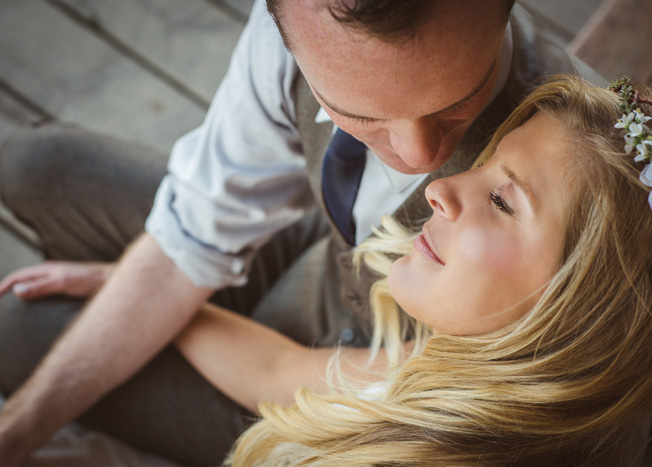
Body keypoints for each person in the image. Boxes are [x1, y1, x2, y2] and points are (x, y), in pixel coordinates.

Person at [0, 1, 598, 465]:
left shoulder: (573, 167)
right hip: (316, 257)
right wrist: (138, 288)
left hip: (330, 390)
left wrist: (138, 301)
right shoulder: (291, 33)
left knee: (17, 327)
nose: (420, 162)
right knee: (37, 165)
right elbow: (194, 237)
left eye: (459, 101)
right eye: (361, 115)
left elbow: (278, 378)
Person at [176, 75, 652, 465]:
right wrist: (147, 295)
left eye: (501, 201)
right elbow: (279, 372)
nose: (439, 188)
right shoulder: (473, 376)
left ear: (588, 308)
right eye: (489, 165)